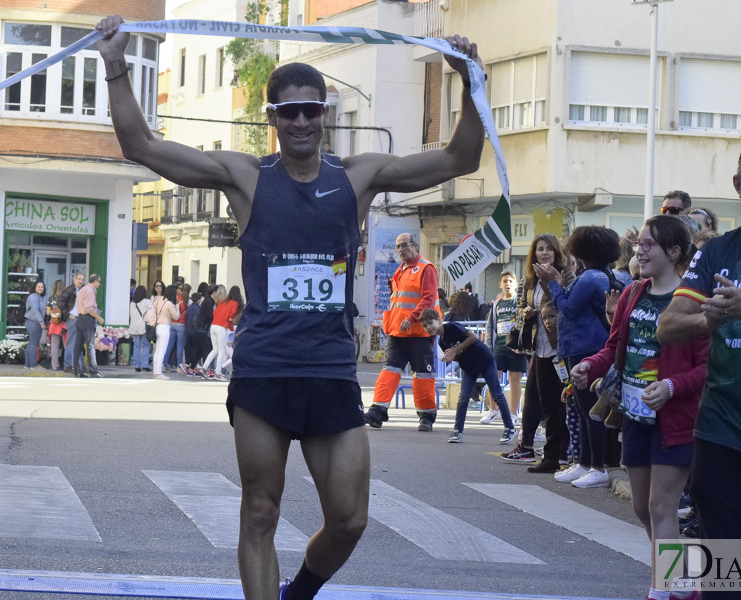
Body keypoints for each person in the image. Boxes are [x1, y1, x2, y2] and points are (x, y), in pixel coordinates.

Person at [98, 15, 484, 600]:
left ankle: (298, 592)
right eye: (288, 111)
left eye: (311, 109)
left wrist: (469, 79)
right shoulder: (245, 177)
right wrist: (115, 64)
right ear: (272, 119)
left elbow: (460, 159)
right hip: (265, 370)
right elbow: (141, 146)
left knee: (350, 518)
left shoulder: (359, 177)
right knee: (259, 512)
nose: (301, 120)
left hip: (329, 370)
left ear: (324, 114)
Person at [658, 135, 741, 600]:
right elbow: (670, 325)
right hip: (721, 433)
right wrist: (712, 315)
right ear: (738, 184)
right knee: (723, 578)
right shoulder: (717, 252)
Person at [573, 216, 707, 600]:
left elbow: (706, 367)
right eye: (639, 244)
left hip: (675, 421)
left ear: (674, 251)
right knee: (643, 510)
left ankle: (661, 591)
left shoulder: (693, 302)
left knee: (661, 507)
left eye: (649, 244)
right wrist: (590, 365)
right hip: (634, 417)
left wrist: (670, 386)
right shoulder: (632, 294)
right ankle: (683, 584)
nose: (639, 250)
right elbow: (614, 349)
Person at [537, 226, 618, 484]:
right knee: (584, 408)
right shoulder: (599, 275)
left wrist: (552, 284)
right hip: (586, 346)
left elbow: (568, 310)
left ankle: (596, 466)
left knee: (588, 409)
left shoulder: (589, 278)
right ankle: (585, 463)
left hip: (586, 347)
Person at [502, 234, 575, 465]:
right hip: (538, 347)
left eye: (549, 249)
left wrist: (553, 284)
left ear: (557, 253)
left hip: (559, 349)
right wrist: (525, 313)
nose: (544, 253)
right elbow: (522, 306)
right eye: (540, 249)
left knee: (555, 402)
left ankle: (559, 451)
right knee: (532, 398)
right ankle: (527, 446)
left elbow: (569, 307)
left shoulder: (567, 276)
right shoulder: (530, 279)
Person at [366, 232, 442, 432]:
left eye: (404, 245)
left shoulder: (426, 268)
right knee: (389, 370)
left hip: (420, 332)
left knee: (423, 376)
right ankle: (377, 410)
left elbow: (428, 299)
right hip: (397, 332)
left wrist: (411, 319)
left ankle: (426, 416)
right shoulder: (399, 271)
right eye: (398, 247)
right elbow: (396, 302)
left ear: (414, 246)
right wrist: (388, 323)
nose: (400, 250)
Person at [419, 309, 516, 444]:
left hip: (485, 360)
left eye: (430, 323)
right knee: (463, 397)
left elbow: (473, 337)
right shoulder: (441, 341)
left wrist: (455, 350)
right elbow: (457, 356)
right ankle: (458, 431)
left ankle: (509, 428)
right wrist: (452, 357)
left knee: (496, 393)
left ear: (439, 320)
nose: (428, 327)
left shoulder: (451, 327)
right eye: (425, 326)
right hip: (469, 368)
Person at [483, 270, 526, 424]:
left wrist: (522, 345)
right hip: (499, 346)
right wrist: (489, 347)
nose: (507, 284)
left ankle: (514, 414)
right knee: (492, 378)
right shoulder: (496, 305)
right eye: (505, 281)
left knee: (515, 381)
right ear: (500, 284)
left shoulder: (519, 302)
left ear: (515, 284)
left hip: (515, 348)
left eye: (510, 281)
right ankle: (493, 410)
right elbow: (490, 327)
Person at [202, 284, 238, 381]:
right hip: (222, 327)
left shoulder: (222, 302)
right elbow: (231, 317)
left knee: (215, 349)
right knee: (221, 351)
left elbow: (215, 313)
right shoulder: (234, 303)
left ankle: (204, 367)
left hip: (213, 326)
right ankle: (218, 373)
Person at [73, 273, 104, 378]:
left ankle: (77, 371)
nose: (99, 284)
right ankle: (93, 371)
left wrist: (95, 311)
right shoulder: (90, 291)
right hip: (87, 320)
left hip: (80, 319)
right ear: (95, 281)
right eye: (99, 282)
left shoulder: (83, 289)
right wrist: (98, 317)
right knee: (90, 346)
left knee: (78, 347)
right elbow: (88, 308)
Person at [152, 285, 180, 379]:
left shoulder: (159, 300)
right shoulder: (169, 304)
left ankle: (155, 371)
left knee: (157, 350)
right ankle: (159, 372)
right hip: (165, 327)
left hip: (157, 325)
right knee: (162, 350)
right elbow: (176, 316)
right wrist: (177, 306)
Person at [59, 272, 85, 372]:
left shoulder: (82, 290)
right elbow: (60, 301)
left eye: (82, 279)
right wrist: (67, 313)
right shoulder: (69, 289)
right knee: (71, 343)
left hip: (80, 318)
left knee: (80, 343)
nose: (81, 281)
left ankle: (80, 365)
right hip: (72, 319)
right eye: (79, 279)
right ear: (74, 279)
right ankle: (68, 365)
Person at [128, 285, 154, 373]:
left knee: (136, 346)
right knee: (146, 346)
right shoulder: (147, 302)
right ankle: (145, 365)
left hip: (134, 327)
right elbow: (151, 313)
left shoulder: (132, 303)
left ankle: (137, 366)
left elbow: (131, 316)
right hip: (144, 326)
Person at [23, 280, 48, 370]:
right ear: (35, 287)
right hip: (34, 322)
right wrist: (41, 322)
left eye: (42, 287)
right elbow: (35, 310)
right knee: (34, 343)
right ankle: (33, 364)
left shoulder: (39, 297)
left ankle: (27, 364)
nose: (41, 288)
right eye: (39, 287)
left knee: (31, 343)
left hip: (33, 322)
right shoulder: (34, 297)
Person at [48, 280, 67, 370]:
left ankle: (54, 366)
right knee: (67, 345)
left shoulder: (51, 298)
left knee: (54, 346)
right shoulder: (66, 298)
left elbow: (48, 312)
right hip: (64, 324)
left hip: (54, 324)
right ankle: (68, 364)